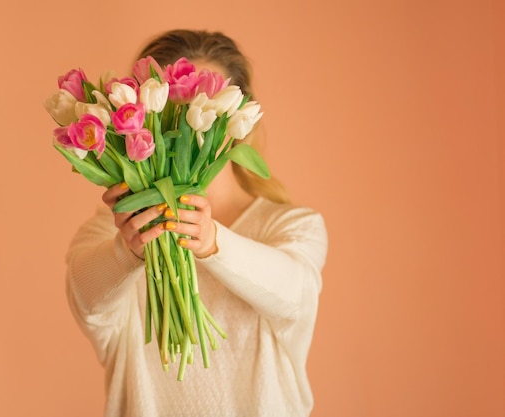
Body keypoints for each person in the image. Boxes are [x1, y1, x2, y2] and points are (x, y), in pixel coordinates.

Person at [65, 29, 328, 417]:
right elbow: (86, 300)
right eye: (167, 110)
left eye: (205, 108)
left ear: (242, 120)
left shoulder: (290, 226)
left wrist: (212, 241)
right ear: (136, 120)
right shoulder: (114, 230)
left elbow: (293, 293)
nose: (184, 126)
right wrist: (128, 250)